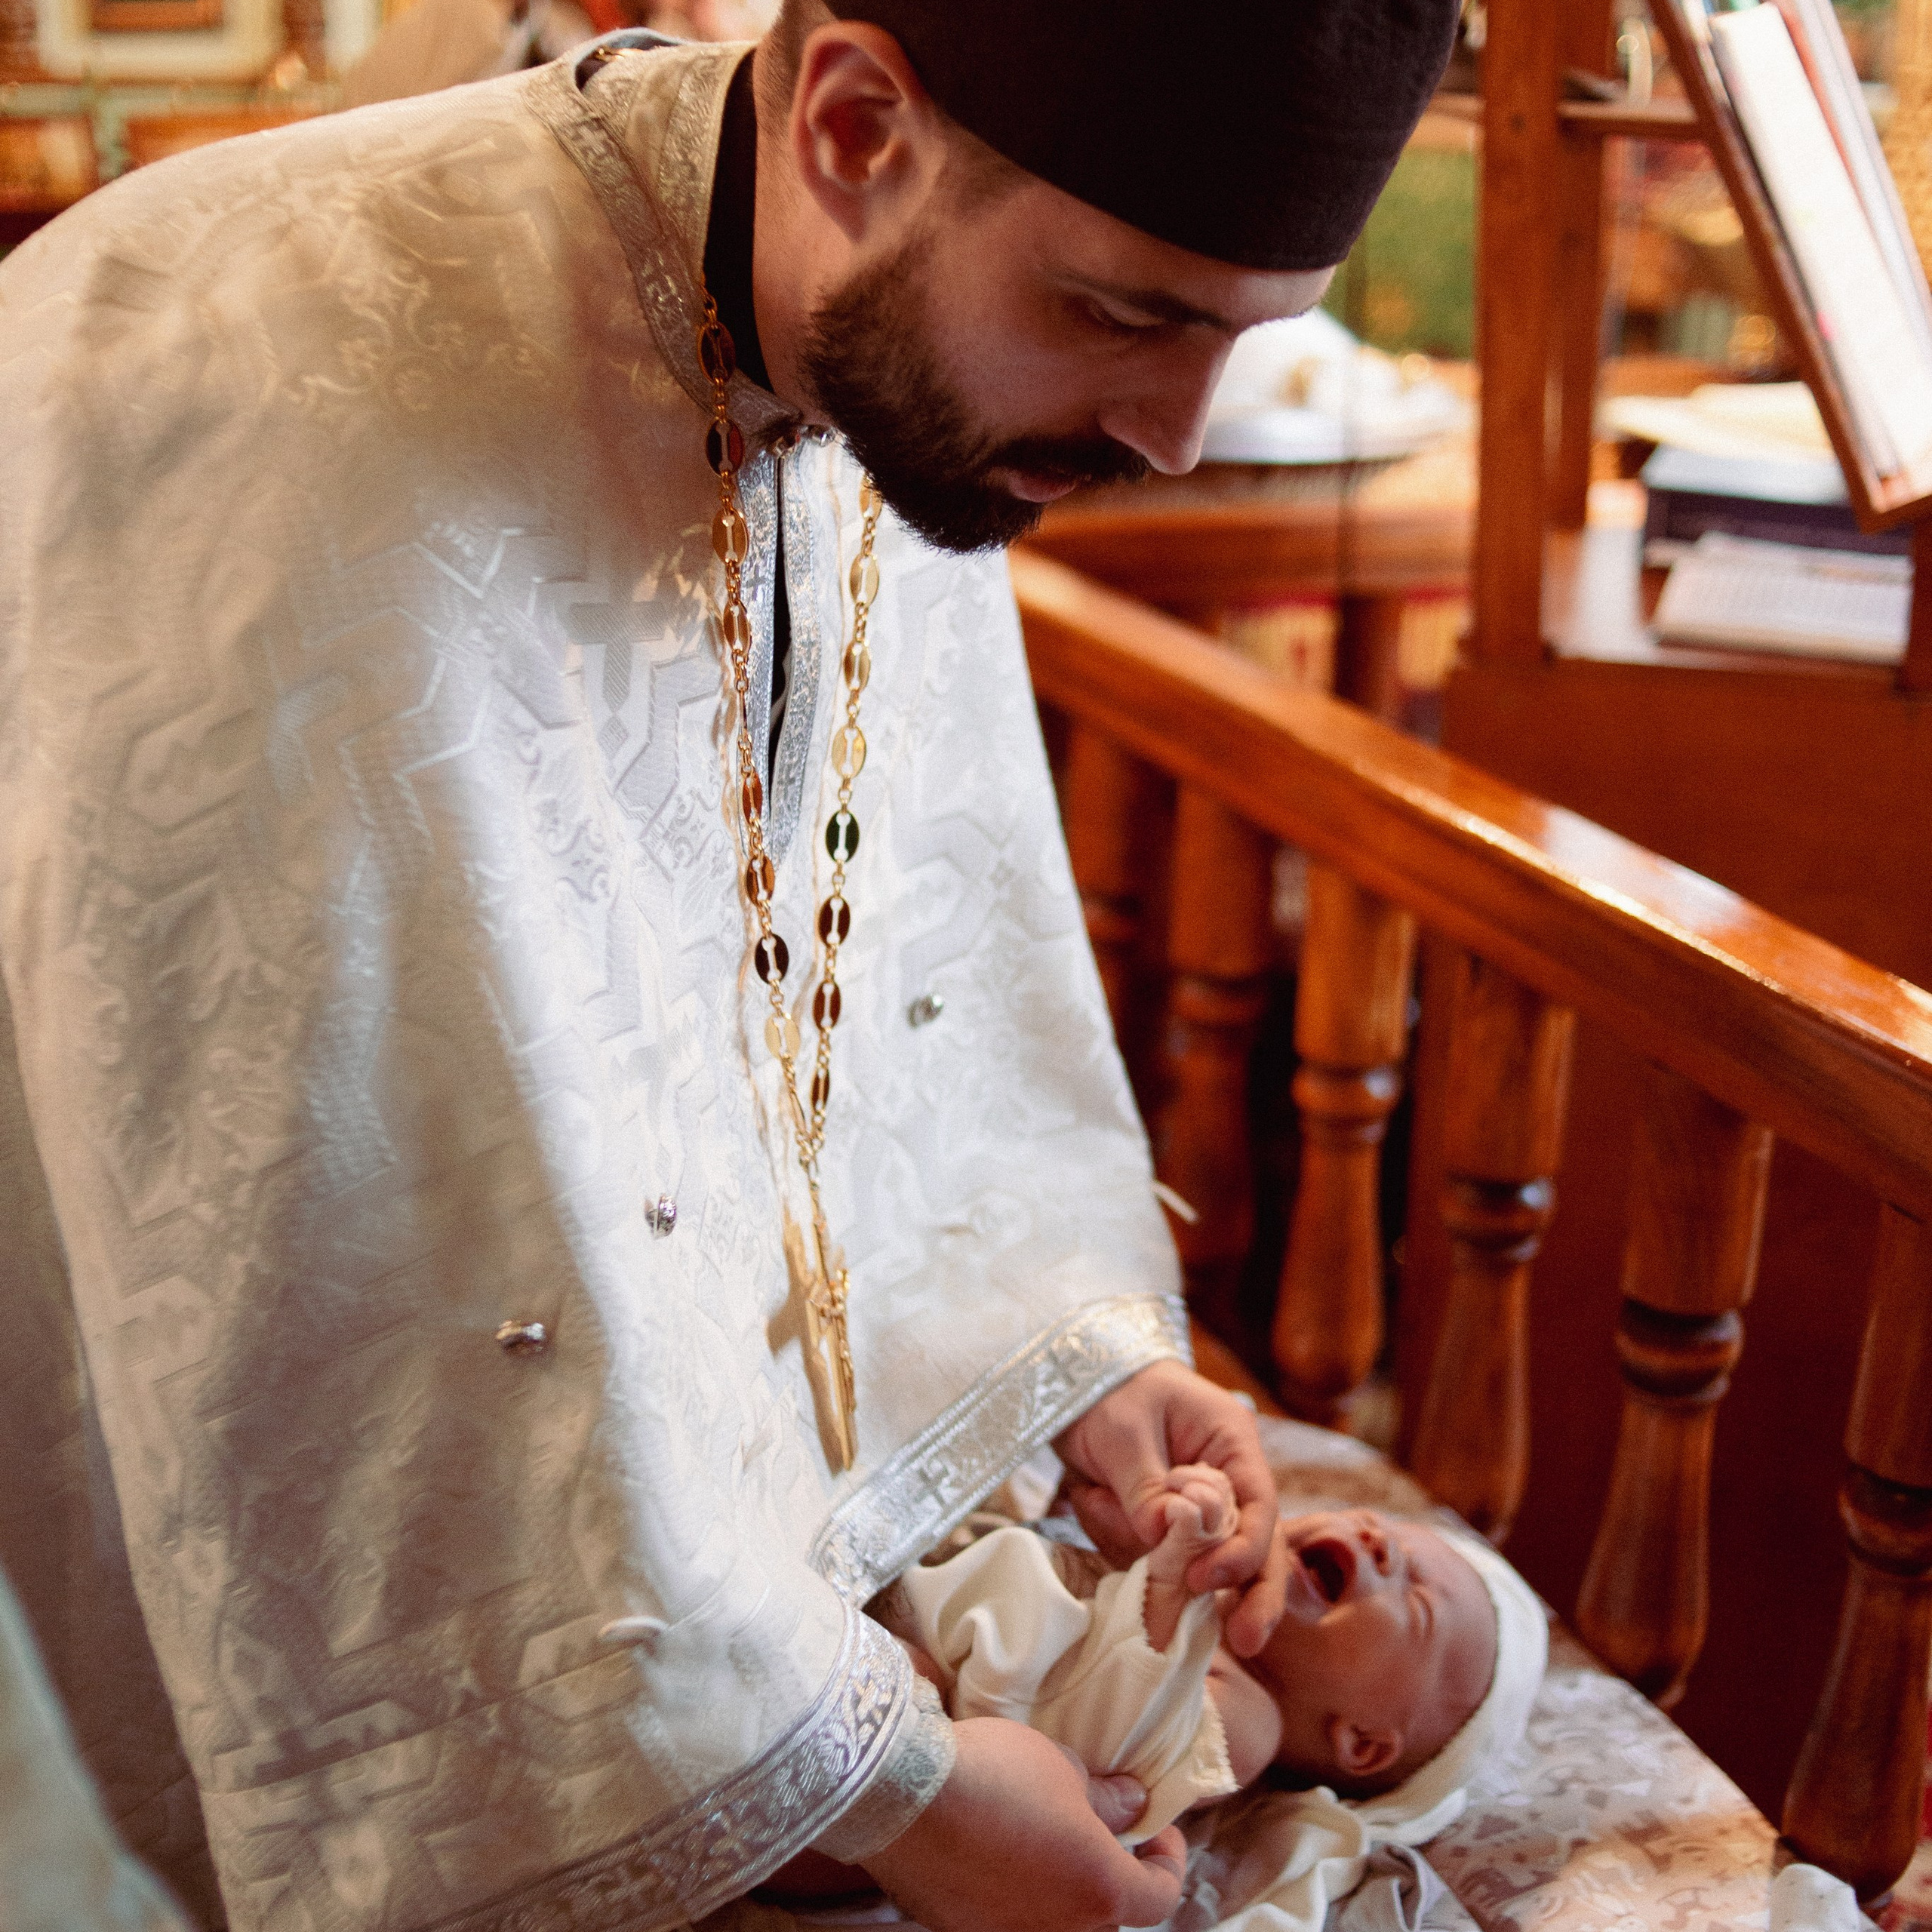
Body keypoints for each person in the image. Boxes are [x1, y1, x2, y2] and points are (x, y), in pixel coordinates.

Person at [0, 3, 1458, 1928]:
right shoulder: (257, 398)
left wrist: (1067, 1368)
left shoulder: (859, 313)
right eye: (1124, 313)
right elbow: (374, 1258)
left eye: (1236, 337)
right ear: (853, 121)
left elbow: (863, 947)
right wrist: (887, 1782)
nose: (1171, 438)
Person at [771, 1478, 1543, 1928]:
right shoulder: (1203, 1573)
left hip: (875, 1784)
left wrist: (1167, 1586)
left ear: (1362, 1743)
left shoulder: (1247, 1721)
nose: (1379, 1540)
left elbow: (1110, 1735)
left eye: (1418, 1601)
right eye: (1387, 1527)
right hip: (876, 1619)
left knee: (870, 1688)